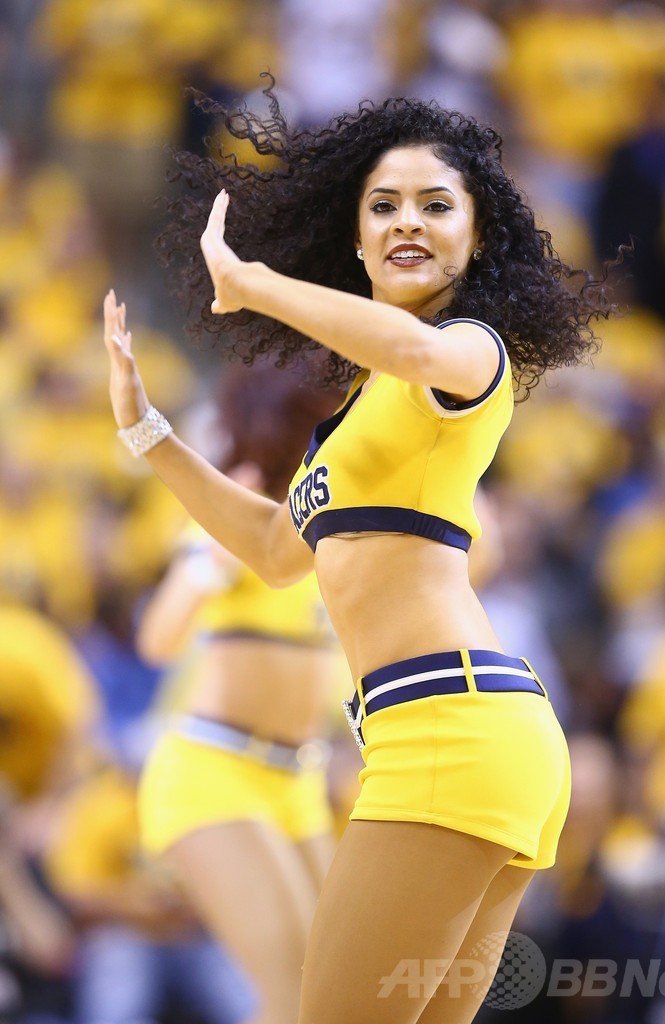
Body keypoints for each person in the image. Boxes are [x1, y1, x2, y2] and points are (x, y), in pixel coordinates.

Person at [103, 79, 612, 1024]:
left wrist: (252, 285)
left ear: (478, 239)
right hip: (460, 732)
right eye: (383, 206)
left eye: (435, 205)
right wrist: (150, 436)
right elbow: (273, 549)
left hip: (447, 726)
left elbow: (413, 352)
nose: (406, 221)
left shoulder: (469, 349)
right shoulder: (351, 421)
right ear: (355, 237)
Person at [134, 360, 345, 1024]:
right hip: (214, 773)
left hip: (299, 782)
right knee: (293, 994)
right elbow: (157, 639)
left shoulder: (336, 527)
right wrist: (208, 564)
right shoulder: (237, 508)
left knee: (339, 993)